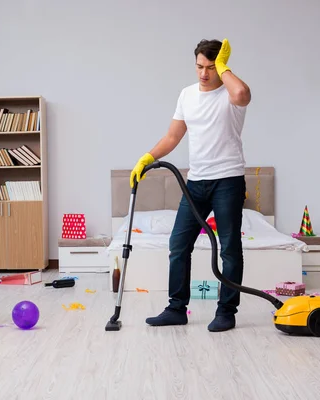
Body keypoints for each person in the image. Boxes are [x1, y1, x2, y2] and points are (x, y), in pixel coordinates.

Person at [130, 38, 251, 332]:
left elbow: (243, 94)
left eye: (211, 67)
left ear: (220, 67)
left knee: (229, 248)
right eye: (199, 66)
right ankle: (176, 308)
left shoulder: (230, 94)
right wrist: (147, 158)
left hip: (228, 180)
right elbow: (173, 137)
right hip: (195, 182)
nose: (204, 73)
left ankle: (226, 312)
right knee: (178, 244)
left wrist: (224, 68)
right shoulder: (186, 95)